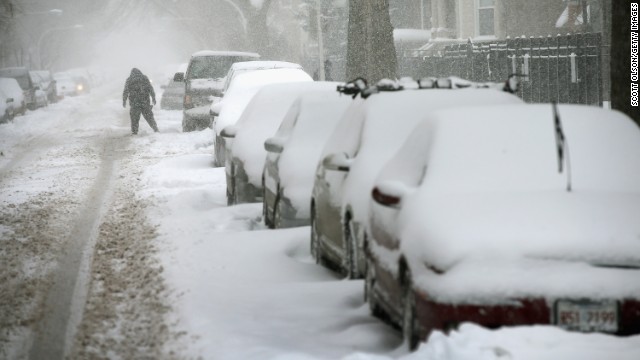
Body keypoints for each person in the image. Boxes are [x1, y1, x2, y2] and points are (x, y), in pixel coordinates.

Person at [123, 68, 158, 134]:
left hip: (134, 103)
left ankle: (134, 132)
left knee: (134, 119)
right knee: (149, 117)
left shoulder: (129, 79)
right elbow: (150, 88)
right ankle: (155, 129)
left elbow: (126, 91)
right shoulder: (144, 78)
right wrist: (153, 98)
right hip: (145, 102)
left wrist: (124, 100)